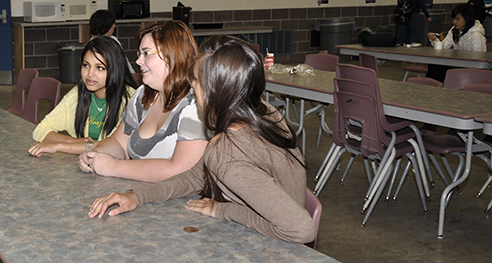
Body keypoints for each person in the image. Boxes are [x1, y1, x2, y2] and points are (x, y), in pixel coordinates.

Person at [87, 35, 315, 244]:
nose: (192, 89)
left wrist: (223, 210)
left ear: (214, 91)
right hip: (272, 229)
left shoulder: (228, 154)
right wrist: (138, 196)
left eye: (195, 83)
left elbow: (302, 230)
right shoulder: (261, 111)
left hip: (275, 246)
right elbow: (197, 176)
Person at [78, 21, 208, 183]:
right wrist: (96, 154)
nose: (138, 61)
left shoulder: (195, 106)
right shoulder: (142, 96)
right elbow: (119, 142)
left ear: (172, 55)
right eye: (139, 54)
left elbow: (181, 170)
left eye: (146, 53)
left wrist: (113, 166)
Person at [29, 36, 136, 157]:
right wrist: (74, 141)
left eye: (100, 68)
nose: (90, 74)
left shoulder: (131, 100)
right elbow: (40, 130)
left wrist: (58, 145)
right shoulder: (77, 94)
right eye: (86, 65)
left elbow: (113, 146)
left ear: (115, 69)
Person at [426, 4, 487, 81]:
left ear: (467, 18)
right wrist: (434, 40)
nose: (454, 22)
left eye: (458, 19)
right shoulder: (454, 30)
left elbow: (478, 57)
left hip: (471, 67)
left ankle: (434, 86)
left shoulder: (476, 34)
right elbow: (444, 47)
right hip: (459, 63)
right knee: (434, 64)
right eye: (453, 19)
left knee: (439, 69)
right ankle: (432, 86)